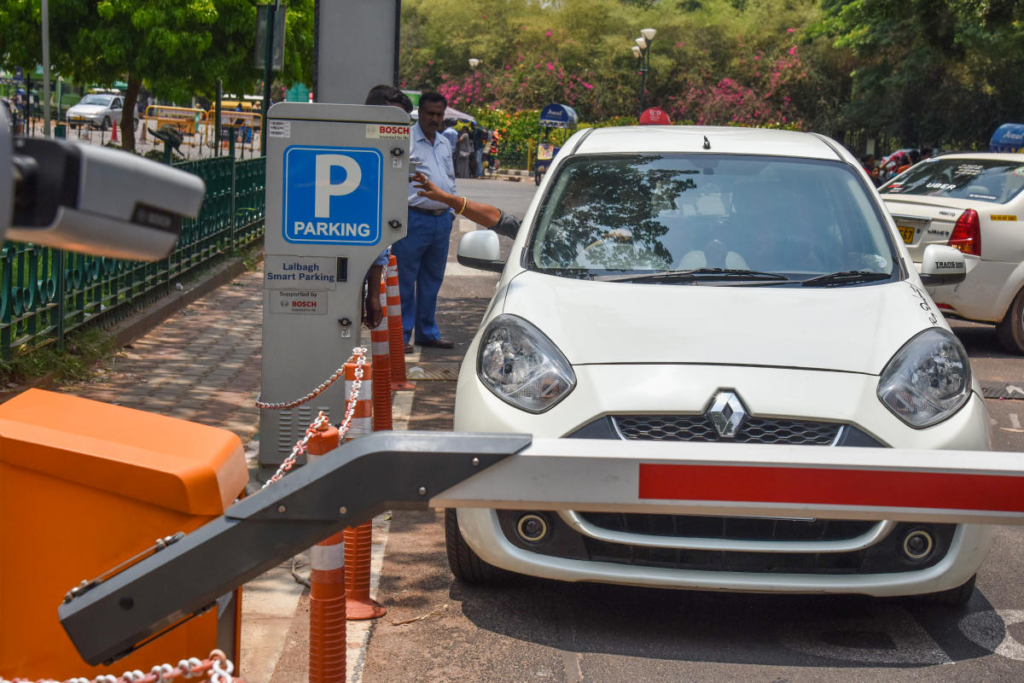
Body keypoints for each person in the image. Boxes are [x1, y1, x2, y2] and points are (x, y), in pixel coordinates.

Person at [392, 91, 457, 351]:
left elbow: (450, 179)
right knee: (405, 280)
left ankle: (427, 332)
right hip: (413, 218)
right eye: (430, 113)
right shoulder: (405, 140)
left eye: (439, 114)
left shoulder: (443, 143)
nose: (434, 118)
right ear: (420, 112)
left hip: (441, 221)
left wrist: (450, 211)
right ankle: (402, 334)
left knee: (432, 280)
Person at [362, 84, 414, 328]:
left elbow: (378, 241)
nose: (396, 131)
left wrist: (372, 295)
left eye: (402, 124)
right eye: (392, 120)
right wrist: (373, 296)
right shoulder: (368, 164)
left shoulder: (385, 165)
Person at [411, 172, 519, 239]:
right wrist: (445, 198)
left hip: (443, 220)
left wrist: (447, 204)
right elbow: (502, 221)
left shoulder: (444, 142)